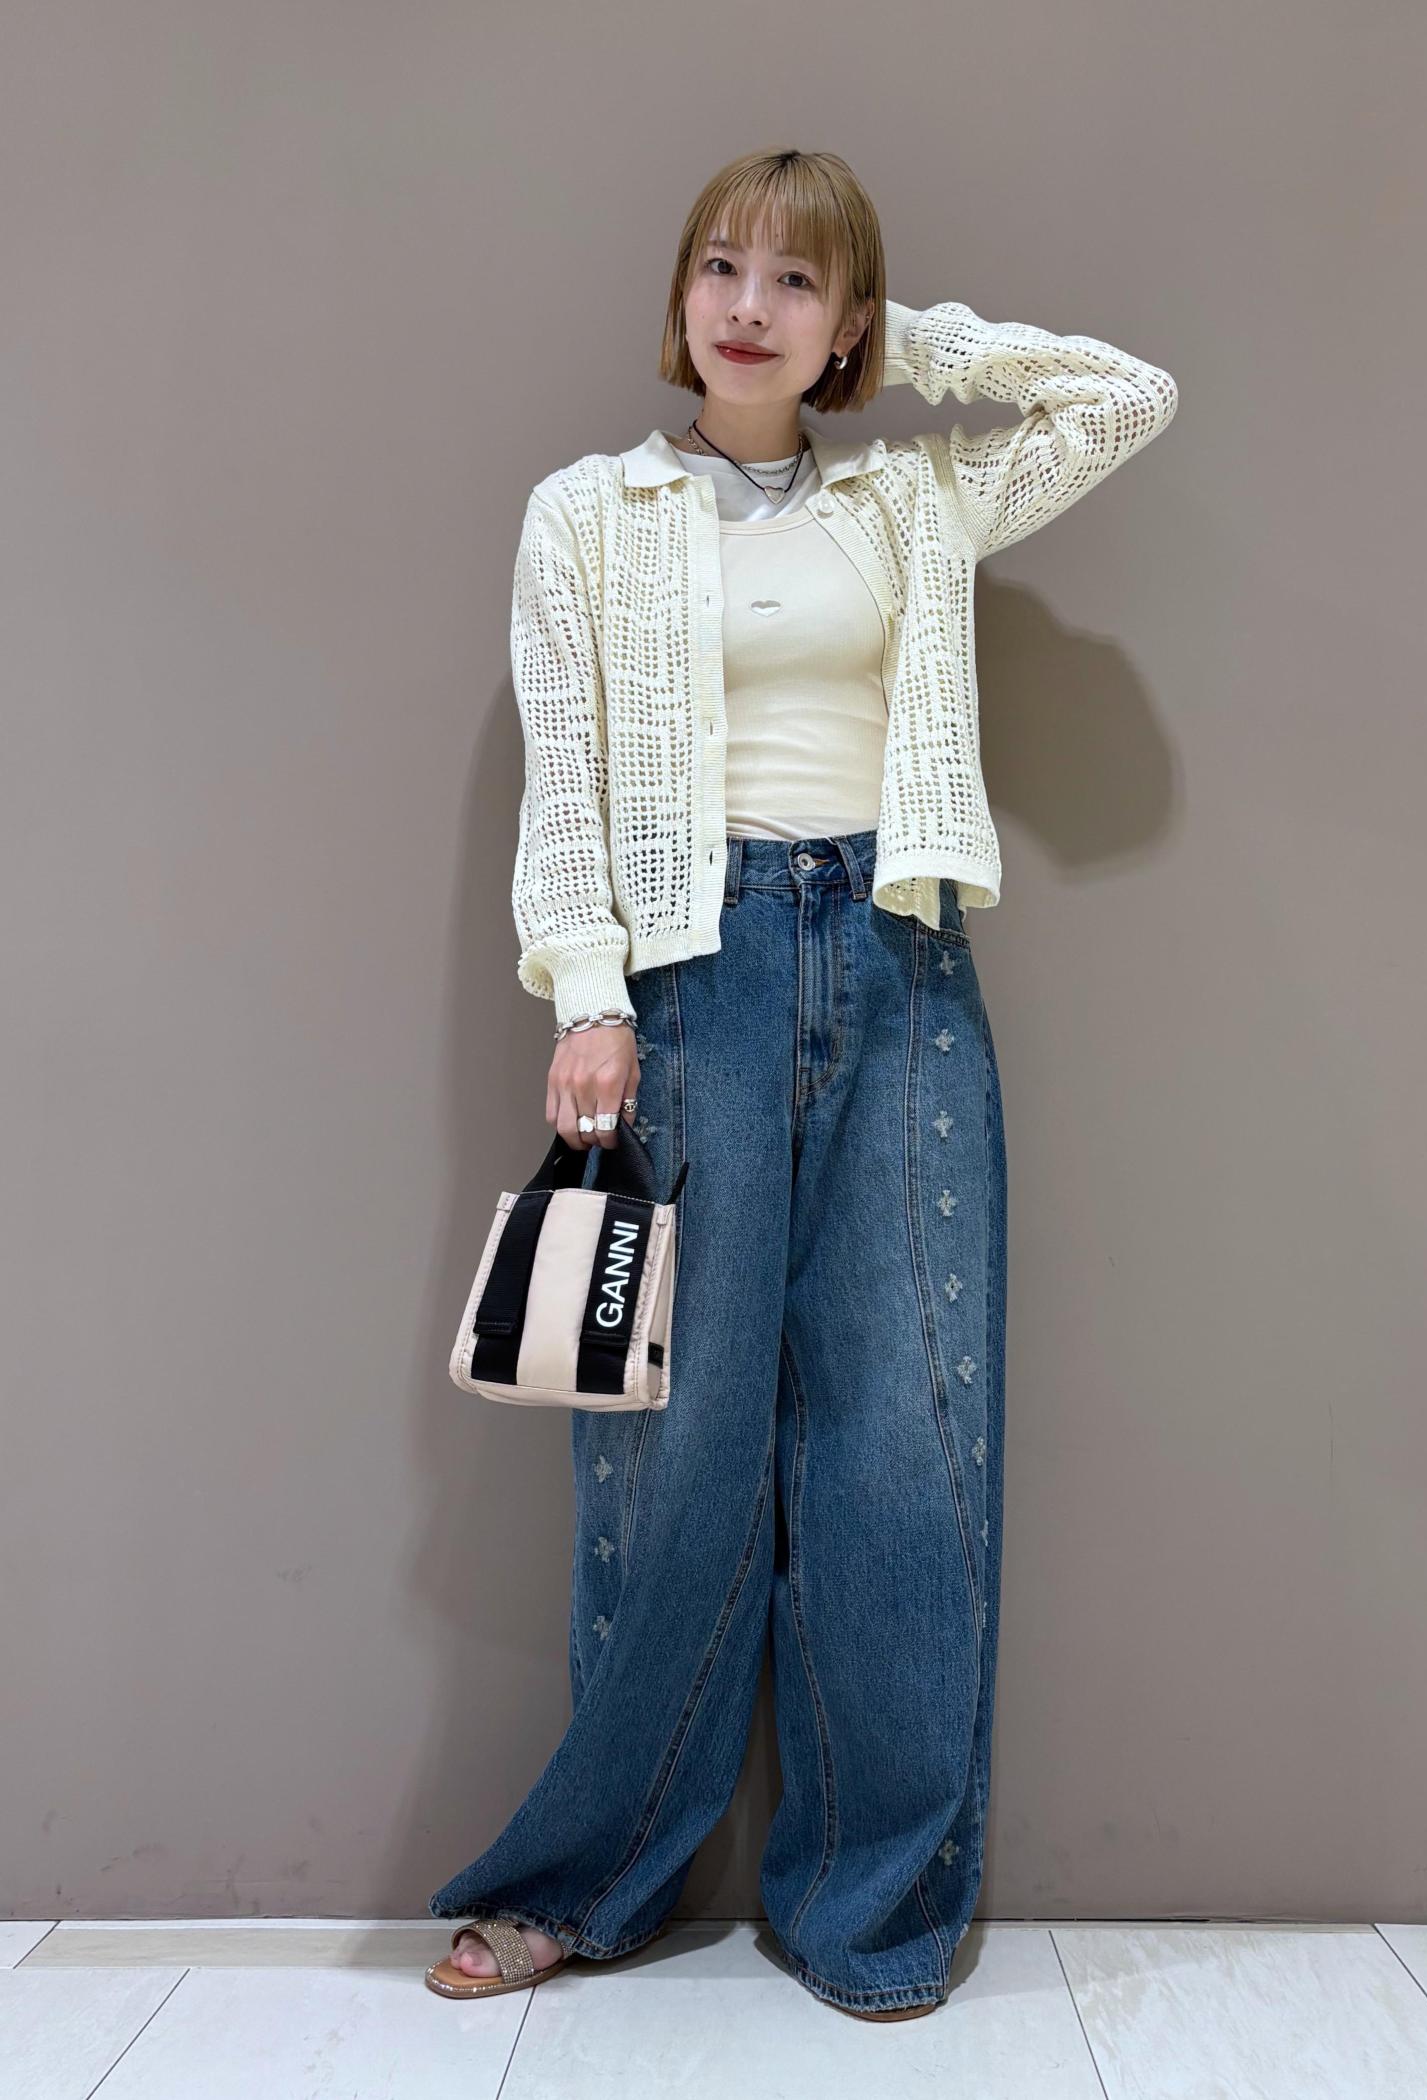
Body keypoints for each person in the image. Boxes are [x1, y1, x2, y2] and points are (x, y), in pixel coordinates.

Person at [424, 147, 1178, 2020]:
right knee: (677, 1455)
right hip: (695, 978)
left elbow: (1126, 399)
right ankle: (584, 1884)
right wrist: (587, 990)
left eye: (794, 281)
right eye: (720, 268)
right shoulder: (590, 511)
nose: (746, 308)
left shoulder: (909, 496)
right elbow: (566, 773)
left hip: (903, 967)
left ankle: (873, 1906)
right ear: (677, 292)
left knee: (908, 1447)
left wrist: (904, 336)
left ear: (846, 321)